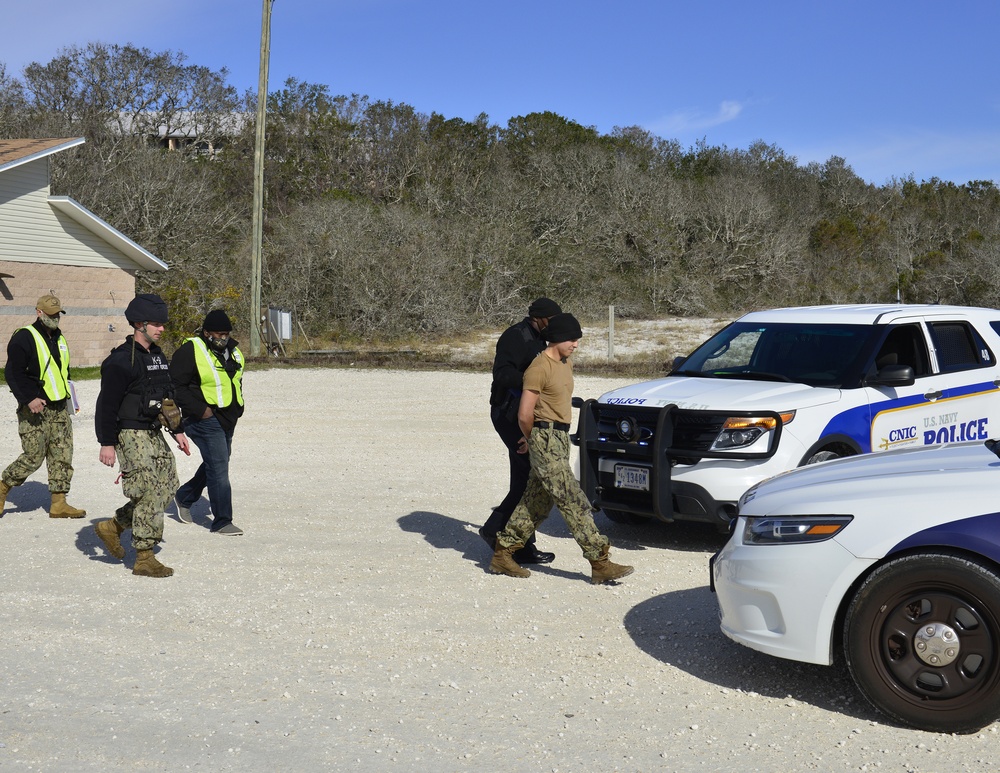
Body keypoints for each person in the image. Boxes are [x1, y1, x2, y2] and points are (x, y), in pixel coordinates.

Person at [489, 313, 634, 584]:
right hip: (545, 438)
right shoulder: (538, 367)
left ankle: (503, 553)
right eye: (572, 339)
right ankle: (599, 560)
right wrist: (534, 439)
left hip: (559, 438)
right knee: (572, 498)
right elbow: (524, 413)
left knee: (536, 502)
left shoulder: (565, 363)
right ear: (555, 339)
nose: (576, 344)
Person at [93, 293, 190, 577]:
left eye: (163, 324)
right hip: (129, 433)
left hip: (153, 431)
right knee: (148, 490)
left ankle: (113, 526)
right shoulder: (120, 362)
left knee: (168, 485)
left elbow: (166, 399)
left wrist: (178, 430)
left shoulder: (157, 357)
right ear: (139, 323)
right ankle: (144, 556)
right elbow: (106, 405)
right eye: (156, 324)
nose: (161, 329)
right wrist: (107, 443)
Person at [480, 297, 562, 565]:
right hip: (507, 414)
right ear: (537, 318)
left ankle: (521, 543)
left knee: (527, 479)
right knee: (528, 477)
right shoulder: (515, 337)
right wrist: (535, 382)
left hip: (525, 414)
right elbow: (502, 374)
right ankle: (495, 530)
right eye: (551, 320)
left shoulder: (542, 339)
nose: (553, 325)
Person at [0, 294, 86, 518]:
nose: (55, 318)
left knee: (62, 455)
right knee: (33, 455)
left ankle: (59, 504)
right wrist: (29, 398)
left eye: (58, 314)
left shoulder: (58, 337)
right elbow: (13, 373)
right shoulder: (24, 337)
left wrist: (69, 397)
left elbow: (61, 370)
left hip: (59, 406)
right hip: (35, 408)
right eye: (50, 315)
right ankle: (2, 489)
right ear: (38, 312)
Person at [169, 309, 246, 535]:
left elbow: (235, 381)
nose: (222, 338)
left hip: (227, 417)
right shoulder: (191, 350)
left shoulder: (234, 351)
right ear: (206, 332)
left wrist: (239, 407)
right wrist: (201, 411)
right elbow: (175, 386)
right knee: (219, 467)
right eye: (218, 334)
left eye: (226, 334)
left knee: (217, 462)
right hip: (203, 418)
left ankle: (184, 496)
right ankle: (222, 521)